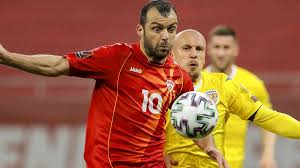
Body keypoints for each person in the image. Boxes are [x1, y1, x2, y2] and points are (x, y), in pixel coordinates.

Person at [0, 1, 228, 167]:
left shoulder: (179, 77)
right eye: (157, 28)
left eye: (171, 29)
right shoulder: (116, 58)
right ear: (140, 30)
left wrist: (209, 147)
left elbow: (193, 120)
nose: (166, 36)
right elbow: (57, 66)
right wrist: (7, 57)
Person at [164, 29, 300, 168]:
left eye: (199, 49)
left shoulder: (223, 85)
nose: (193, 54)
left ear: (204, 55)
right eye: (186, 48)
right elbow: (142, 134)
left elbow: (267, 117)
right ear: (171, 54)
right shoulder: (156, 89)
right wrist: (160, 155)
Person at [205, 25, 277, 168]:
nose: (221, 53)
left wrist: (268, 155)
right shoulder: (197, 80)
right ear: (208, 49)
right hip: (202, 162)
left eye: (226, 47)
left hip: (234, 164)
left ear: (236, 50)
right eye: (217, 47)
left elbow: (268, 121)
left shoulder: (252, 83)